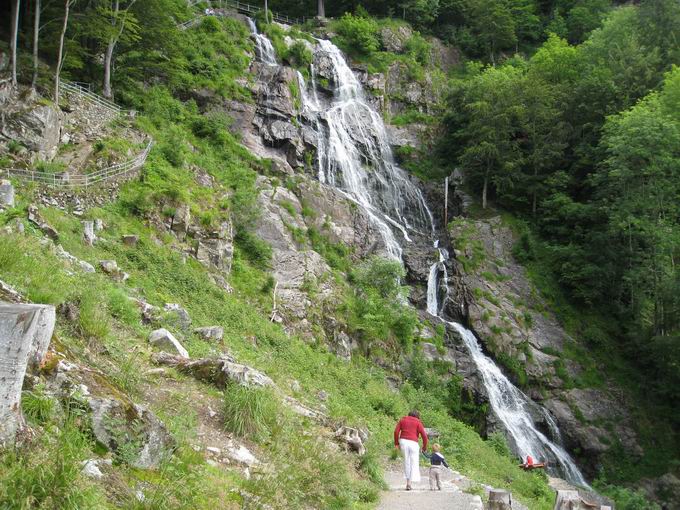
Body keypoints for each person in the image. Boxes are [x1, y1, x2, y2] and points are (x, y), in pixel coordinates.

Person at [394, 410, 428, 491]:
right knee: (414, 462)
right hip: (413, 443)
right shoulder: (418, 422)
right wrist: (424, 447)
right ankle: (411, 482)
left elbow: (396, 432)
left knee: (407, 461)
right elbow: (424, 436)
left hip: (403, 442)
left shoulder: (402, 420)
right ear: (417, 416)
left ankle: (408, 482)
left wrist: (396, 443)